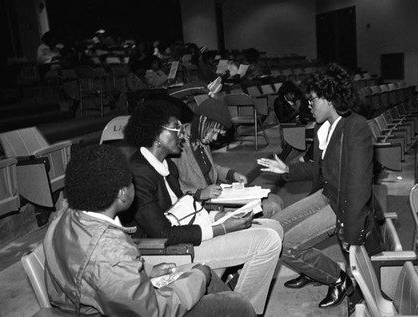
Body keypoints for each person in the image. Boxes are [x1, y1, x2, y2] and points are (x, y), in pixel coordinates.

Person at [43, 144, 256, 316]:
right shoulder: (111, 252)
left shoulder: (64, 218)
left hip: (95, 303)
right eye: (130, 180)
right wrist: (198, 277)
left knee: (200, 274)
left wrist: (147, 271)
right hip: (144, 309)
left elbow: (99, 277)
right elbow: (156, 311)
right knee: (235, 304)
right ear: (122, 194)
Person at [122, 100, 283, 315]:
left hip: (185, 233)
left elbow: (185, 209)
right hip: (167, 251)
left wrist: (220, 215)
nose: (182, 134)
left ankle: (238, 304)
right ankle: (246, 310)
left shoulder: (166, 164)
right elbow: (162, 233)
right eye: (176, 129)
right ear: (157, 134)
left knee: (273, 227)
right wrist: (222, 228)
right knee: (268, 241)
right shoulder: (139, 172)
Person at [257, 64, 383, 308]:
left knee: (287, 247)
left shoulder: (356, 128)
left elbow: (359, 187)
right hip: (327, 195)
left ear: (330, 99)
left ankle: (338, 280)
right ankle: (312, 269)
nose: (308, 106)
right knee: (275, 228)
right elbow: (321, 169)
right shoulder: (324, 127)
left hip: (343, 205)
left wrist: (352, 233)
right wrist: (287, 170)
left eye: (313, 100)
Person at [172, 97, 284, 218]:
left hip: (217, 195)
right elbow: (172, 189)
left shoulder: (200, 137)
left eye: (218, 134)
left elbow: (210, 167)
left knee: (275, 199)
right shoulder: (176, 145)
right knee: (271, 207)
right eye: (213, 131)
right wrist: (200, 193)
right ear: (202, 121)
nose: (215, 138)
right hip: (200, 204)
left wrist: (232, 174)